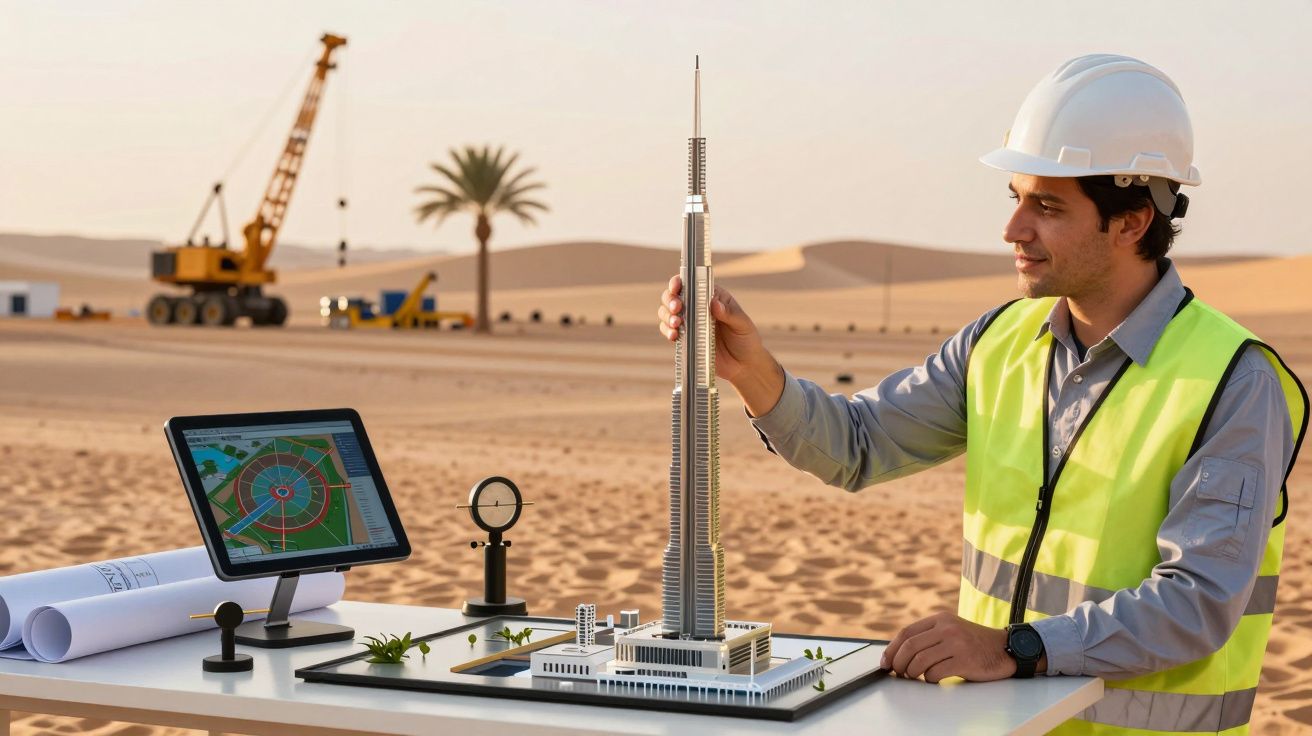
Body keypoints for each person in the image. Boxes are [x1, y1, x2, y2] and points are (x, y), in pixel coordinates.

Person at [656, 54, 1306, 735]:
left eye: (1047, 206)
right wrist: (750, 367)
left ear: (1132, 221)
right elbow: (857, 446)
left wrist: (1013, 647)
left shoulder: (1235, 380)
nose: (1013, 229)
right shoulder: (997, 343)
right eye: (1016, 198)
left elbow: (1196, 605)